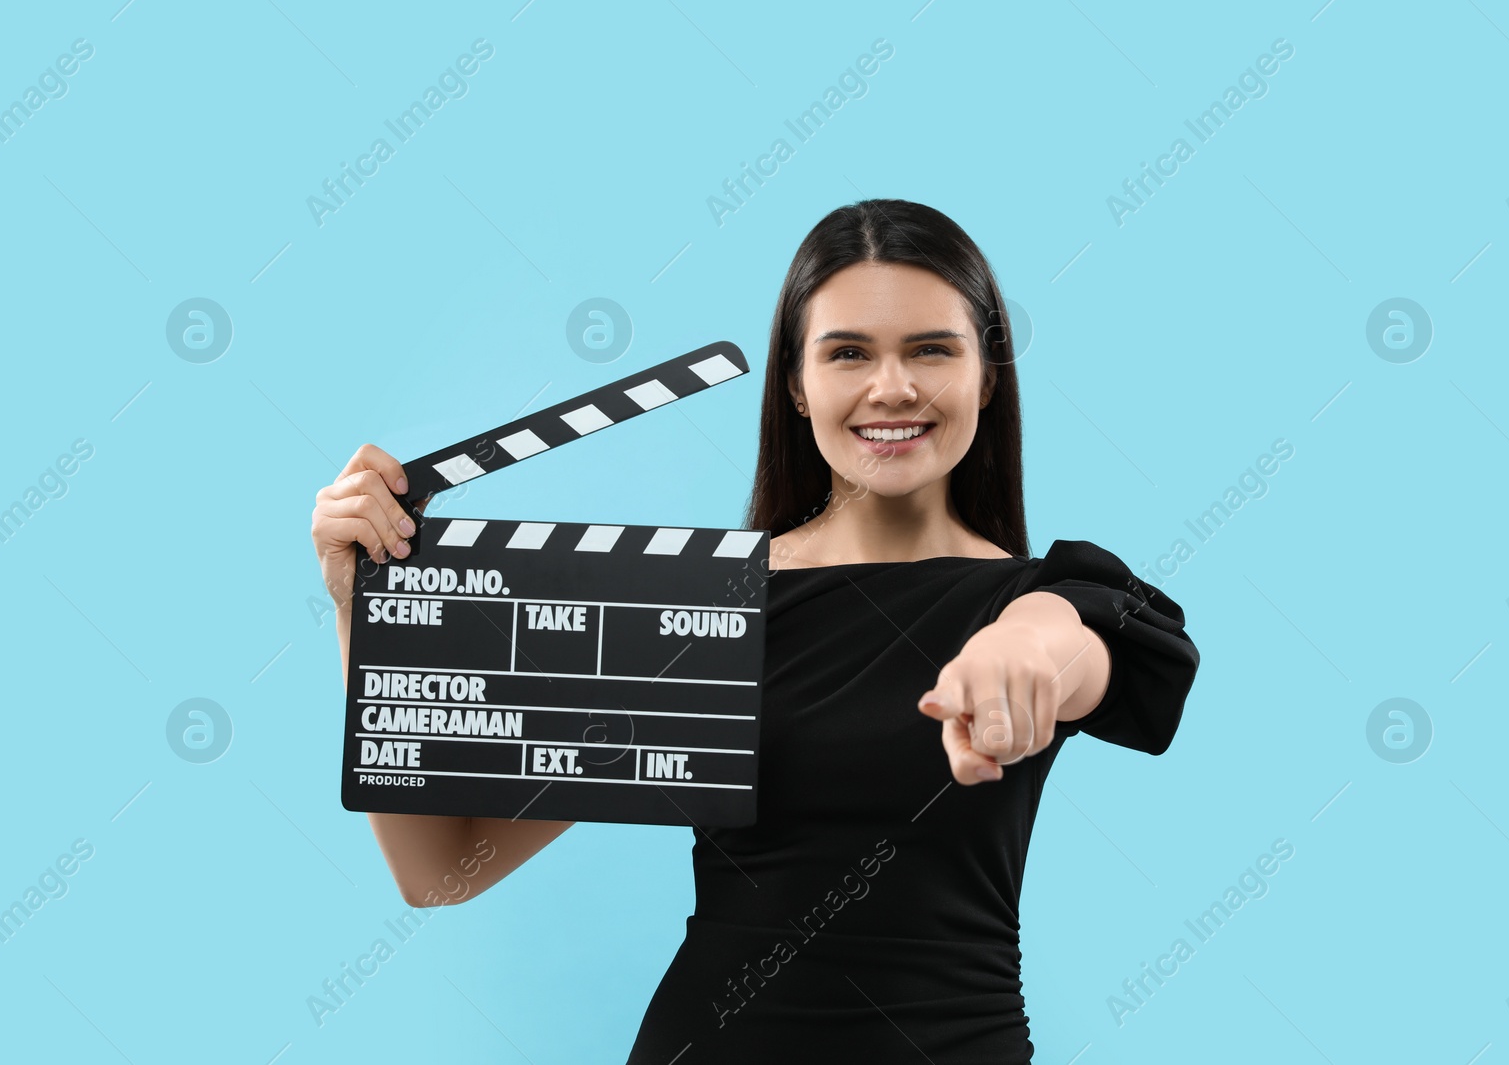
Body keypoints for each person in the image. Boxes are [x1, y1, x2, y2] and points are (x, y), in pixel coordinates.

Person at [309, 198, 1200, 1062]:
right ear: (796, 385)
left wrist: (1027, 641)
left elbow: (1093, 642)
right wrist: (364, 611)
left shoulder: (1044, 597)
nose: (892, 387)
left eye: (932, 349)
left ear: (987, 375)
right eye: (847, 352)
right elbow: (443, 866)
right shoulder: (688, 608)